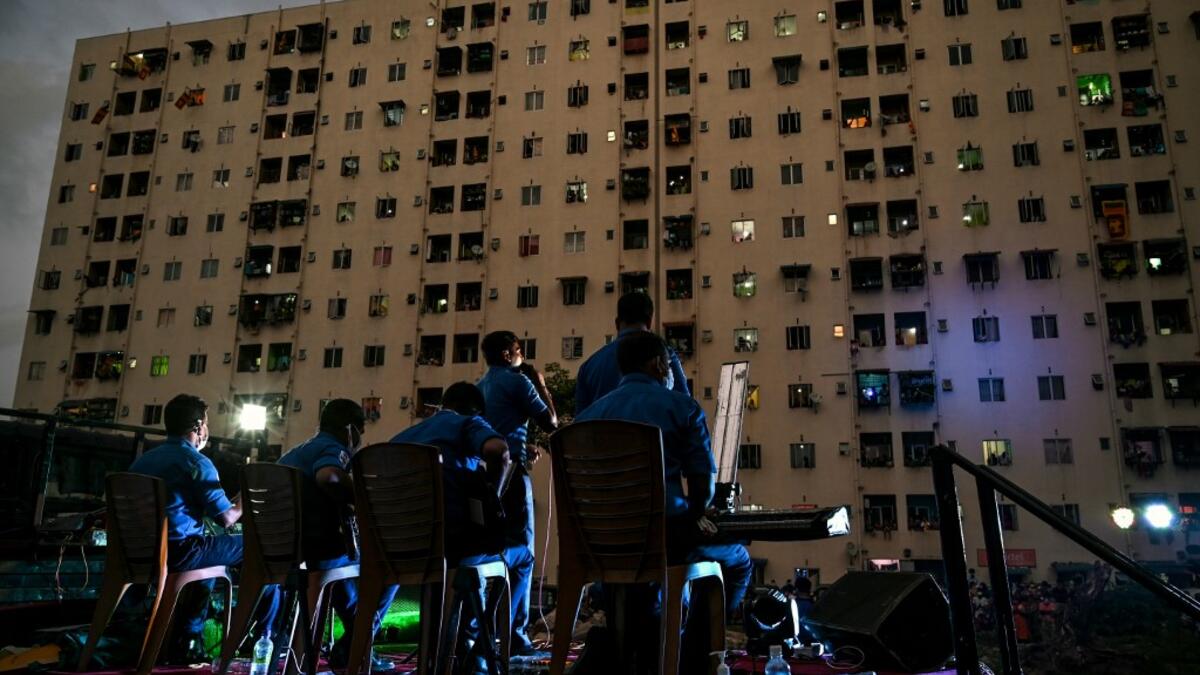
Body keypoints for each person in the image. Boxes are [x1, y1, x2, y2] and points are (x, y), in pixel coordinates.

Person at [574, 331, 752, 665]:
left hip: (602, 543)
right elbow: (702, 489)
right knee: (739, 560)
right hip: (662, 539)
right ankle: (696, 658)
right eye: (670, 364)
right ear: (659, 364)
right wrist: (699, 514)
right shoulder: (681, 407)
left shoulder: (586, 417)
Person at [392, 382, 536, 672]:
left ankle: (460, 641)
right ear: (475, 410)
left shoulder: (402, 437)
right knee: (522, 556)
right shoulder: (468, 423)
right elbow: (499, 450)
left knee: (475, 556)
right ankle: (483, 645)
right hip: (453, 547)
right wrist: (493, 499)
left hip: (404, 546)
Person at [128, 394, 276, 664]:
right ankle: (264, 636)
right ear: (198, 427)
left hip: (140, 553)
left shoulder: (143, 461)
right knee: (258, 547)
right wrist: (249, 493)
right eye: (206, 423)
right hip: (179, 553)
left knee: (208, 546)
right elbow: (228, 519)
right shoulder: (196, 463)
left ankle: (189, 638)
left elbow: (208, 509)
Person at [277, 399, 396, 671]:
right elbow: (329, 476)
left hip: (289, 547)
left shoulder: (296, 452)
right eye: (361, 431)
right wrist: (362, 499)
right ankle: (356, 646)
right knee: (390, 566)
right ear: (350, 430)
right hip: (318, 548)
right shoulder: (334, 448)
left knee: (348, 579)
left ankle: (353, 647)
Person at [476, 331, 557, 654]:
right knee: (523, 553)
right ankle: (515, 634)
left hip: (487, 478)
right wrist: (540, 382)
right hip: (513, 479)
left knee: (498, 547)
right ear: (510, 354)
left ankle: (488, 626)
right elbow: (550, 420)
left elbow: (500, 431)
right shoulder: (518, 380)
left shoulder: (482, 386)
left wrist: (526, 447)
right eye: (519, 351)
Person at [574, 292, 689, 413]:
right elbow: (686, 407)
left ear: (617, 323)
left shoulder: (589, 366)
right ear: (649, 322)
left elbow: (580, 423)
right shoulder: (665, 355)